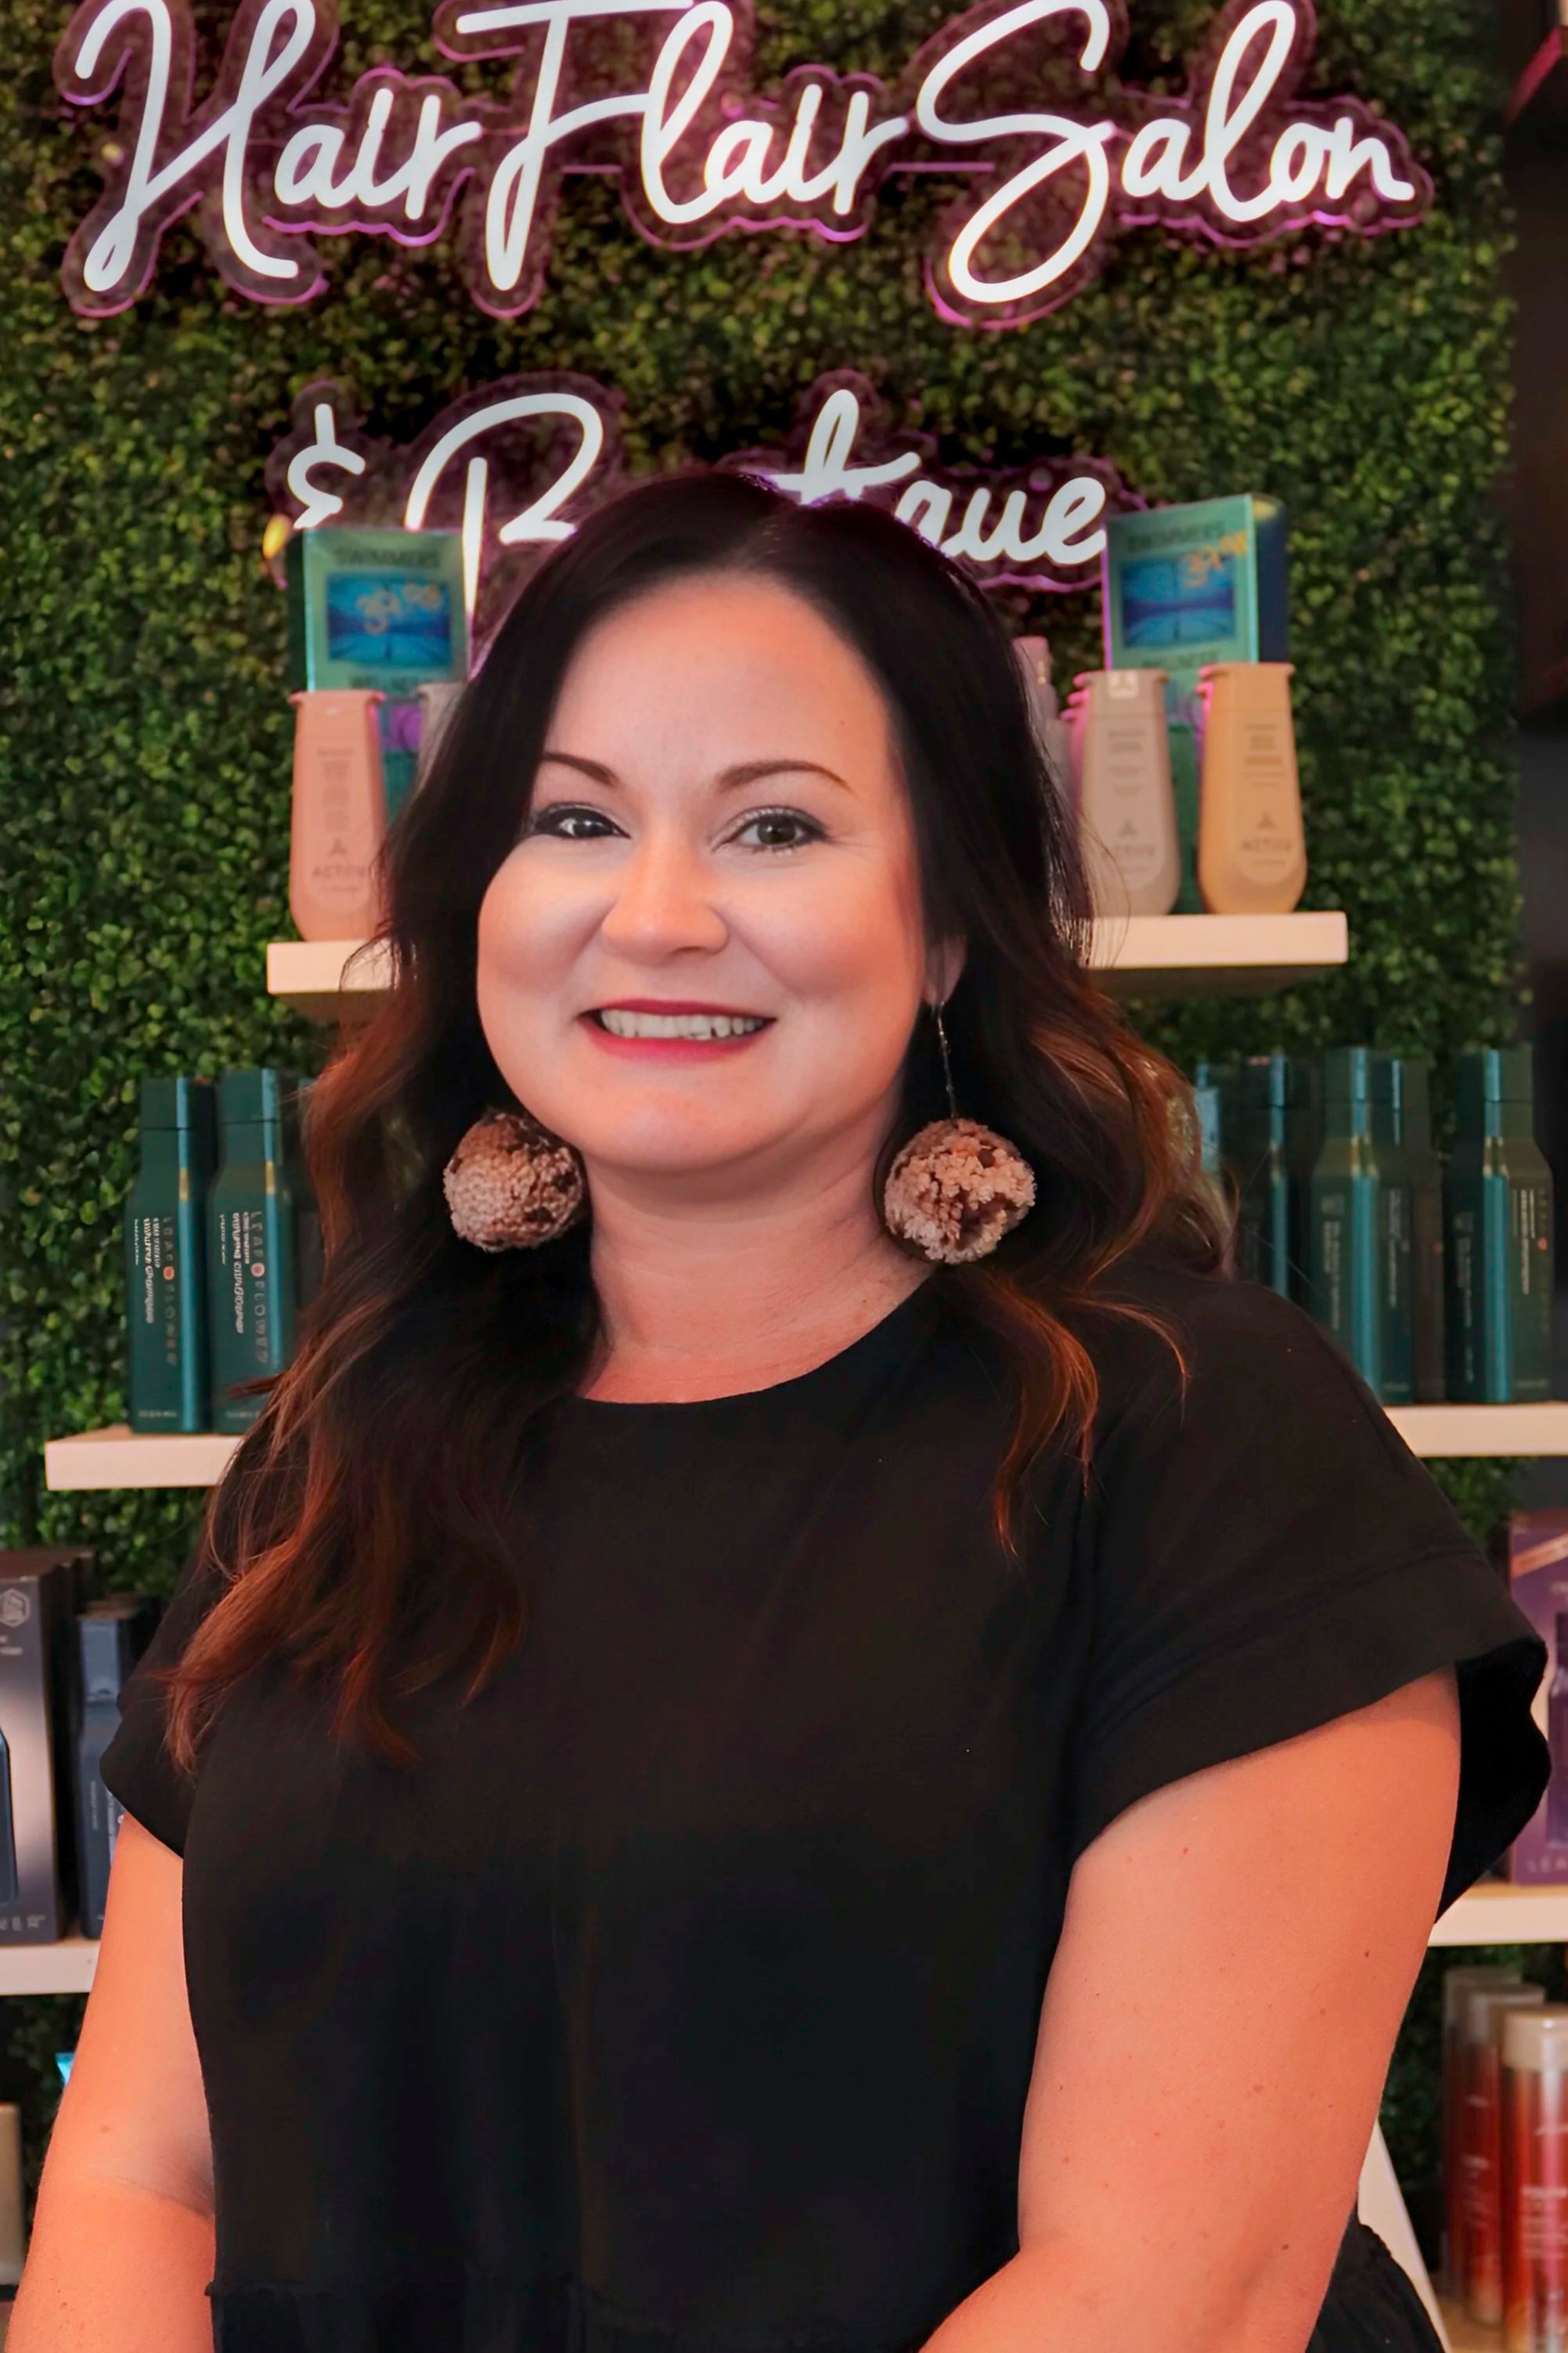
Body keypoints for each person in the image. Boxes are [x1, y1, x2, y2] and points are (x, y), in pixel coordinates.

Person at [16, 475, 1546, 2353]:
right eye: (574, 818)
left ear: (952, 928)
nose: (658, 915)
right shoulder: (344, 1446)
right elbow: (141, 2176)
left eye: (775, 826)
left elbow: (1174, 2295)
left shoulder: (1194, 1442)